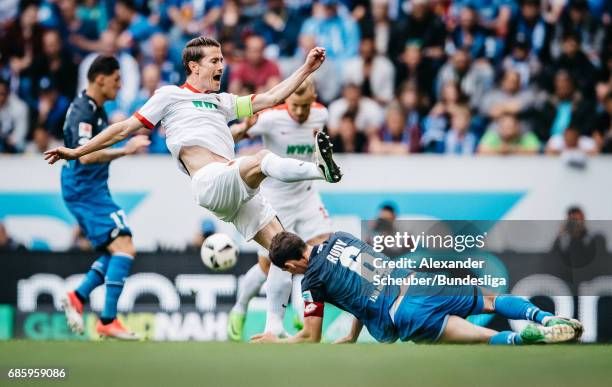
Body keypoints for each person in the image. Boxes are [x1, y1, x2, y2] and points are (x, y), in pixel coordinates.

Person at [44, 38, 342, 319]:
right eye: (215, 60)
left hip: (234, 189)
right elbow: (123, 128)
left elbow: (272, 97)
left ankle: (273, 329)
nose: (222, 66)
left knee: (283, 248)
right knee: (261, 159)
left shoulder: (222, 102)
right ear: (193, 66)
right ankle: (320, 170)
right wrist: (76, 151)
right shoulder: (169, 96)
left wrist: (306, 69)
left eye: (222, 60)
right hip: (211, 182)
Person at [252, 231, 583, 345]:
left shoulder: (311, 281)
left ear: (291, 265)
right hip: (418, 282)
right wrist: (353, 333)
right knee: (493, 301)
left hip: (406, 313)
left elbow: (311, 337)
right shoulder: (339, 236)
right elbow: (362, 287)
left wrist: (277, 339)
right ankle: (545, 319)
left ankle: (520, 338)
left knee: (480, 337)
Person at [228, 78, 333, 341]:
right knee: (270, 266)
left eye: (305, 106)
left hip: (307, 197)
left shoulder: (322, 113)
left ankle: (301, 311)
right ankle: (242, 308)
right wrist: (243, 127)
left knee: (320, 255)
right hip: (276, 201)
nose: (300, 112)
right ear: (287, 99)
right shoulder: (271, 117)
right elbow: (232, 137)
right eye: (295, 106)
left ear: (314, 97)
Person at [57, 55, 150, 340]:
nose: (120, 86)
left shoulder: (95, 109)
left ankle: (78, 296)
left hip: (92, 189)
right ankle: (107, 320)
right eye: (116, 79)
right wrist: (125, 150)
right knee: (125, 246)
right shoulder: (82, 112)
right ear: (100, 78)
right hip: (84, 190)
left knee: (118, 247)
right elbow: (85, 157)